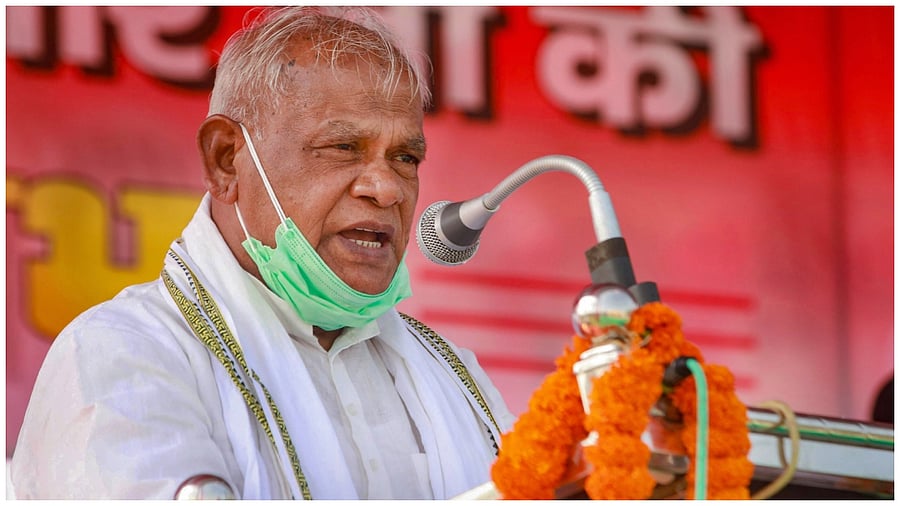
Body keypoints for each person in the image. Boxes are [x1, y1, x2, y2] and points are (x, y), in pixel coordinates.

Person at [10, 6, 515, 499]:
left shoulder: (454, 374)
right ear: (227, 160)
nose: (386, 189)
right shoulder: (126, 354)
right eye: (342, 148)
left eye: (405, 157)